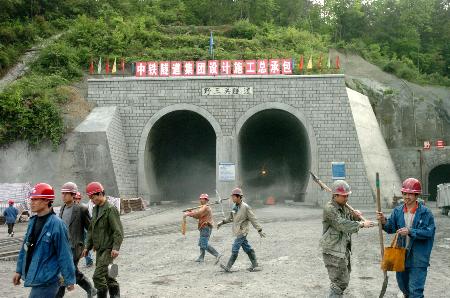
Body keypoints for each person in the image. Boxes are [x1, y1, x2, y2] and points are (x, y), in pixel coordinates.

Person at [13, 183, 75, 298]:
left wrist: (69, 279)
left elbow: (64, 254)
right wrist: (19, 270)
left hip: (48, 279)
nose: (32, 202)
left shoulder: (57, 224)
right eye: (31, 199)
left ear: (47, 201)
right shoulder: (33, 221)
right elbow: (24, 248)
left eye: (36, 199)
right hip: (37, 276)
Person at [376, 178, 435, 298]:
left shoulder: (426, 213)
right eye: (404, 193)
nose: (407, 196)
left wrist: (410, 231)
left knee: (415, 291)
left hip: (418, 257)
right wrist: (383, 221)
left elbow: (428, 232)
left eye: (410, 194)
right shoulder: (398, 211)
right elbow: (390, 228)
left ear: (416, 195)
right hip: (401, 255)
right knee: (403, 287)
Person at [320, 180, 375, 298]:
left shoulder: (343, 207)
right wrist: (360, 224)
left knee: (342, 280)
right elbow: (341, 224)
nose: (347, 198)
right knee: (339, 283)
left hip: (343, 249)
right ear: (335, 196)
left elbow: (347, 219)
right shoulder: (329, 208)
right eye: (344, 196)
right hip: (333, 250)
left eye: (348, 195)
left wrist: (354, 216)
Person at [82, 182, 123, 298]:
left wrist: (116, 248)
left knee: (98, 276)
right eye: (89, 198)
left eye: (92, 197)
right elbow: (91, 230)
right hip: (100, 249)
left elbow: (118, 230)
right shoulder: (95, 209)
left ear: (100, 193)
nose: (91, 200)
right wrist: (87, 246)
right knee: (109, 275)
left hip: (109, 249)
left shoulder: (110, 209)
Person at [56, 182, 96, 298]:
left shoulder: (81, 209)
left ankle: (58, 295)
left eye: (65, 193)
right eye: (62, 193)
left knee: (66, 269)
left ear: (73, 195)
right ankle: (91, 289)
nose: (63, 196)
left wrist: (89, 245)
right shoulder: (62, 208)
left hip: (75, 247)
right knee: (72, 270)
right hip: (64, 247)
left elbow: (91, 228)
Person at [217, 187, 265, 272]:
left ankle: (228, 266)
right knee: (247, 248)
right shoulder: (235, 206)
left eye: (233, 197)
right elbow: (231, 218)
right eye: (232, 196)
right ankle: (255, 264)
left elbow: (253, 219)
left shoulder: (246, 207)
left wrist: (259, 230)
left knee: (235, 248)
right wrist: (222, 222)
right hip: (237, 231)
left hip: (243, 231)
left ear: (239, 197)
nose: (232, 198)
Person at [184, 193, 221, 263]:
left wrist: (188, 214)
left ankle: (217, 254)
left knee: (204, 244)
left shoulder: (205, 207)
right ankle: (201, 257)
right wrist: (190, 212)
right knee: (201, 243)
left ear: (206, 200)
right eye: (200, 198)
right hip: (203, 227)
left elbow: (198, 214)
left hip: (206, 227)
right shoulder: (203, 207)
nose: (201, 200)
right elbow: (198, 216)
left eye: (202, 199)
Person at [75, 191, 94, 267]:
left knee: (86, 245)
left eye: (78, 198)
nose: (76, 200)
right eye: (75, 199)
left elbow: (88, 219)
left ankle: (89, 261)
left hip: (84, 229)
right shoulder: (71, 209)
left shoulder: (83, 208)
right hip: (77, 230)